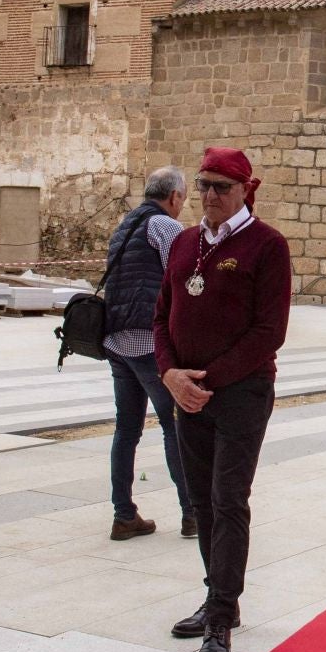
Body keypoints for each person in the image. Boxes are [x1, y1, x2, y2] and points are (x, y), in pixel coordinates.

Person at [157, 147, 292, 652]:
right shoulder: (185, 243)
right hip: (186, 391)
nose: (210, 196)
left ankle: (218, 624)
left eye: (221, 187)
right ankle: (221, 599)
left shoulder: (266, 245)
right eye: (204, 185)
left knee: (229, 499)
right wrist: (170, 373)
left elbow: (269, 332)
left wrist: (207, 380)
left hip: (240, 393)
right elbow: (161, 313)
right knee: (202, 502)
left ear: (244, 190)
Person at [99, 167, 196, 542]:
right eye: (183, 200)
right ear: (173, 197)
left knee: (126, 429)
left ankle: (124, 515)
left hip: (117, 341)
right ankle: (192, 514)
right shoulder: (165, 227)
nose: (182, 207)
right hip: (148, 342)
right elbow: (187, 278)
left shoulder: (124, 226)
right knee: (174, 425)